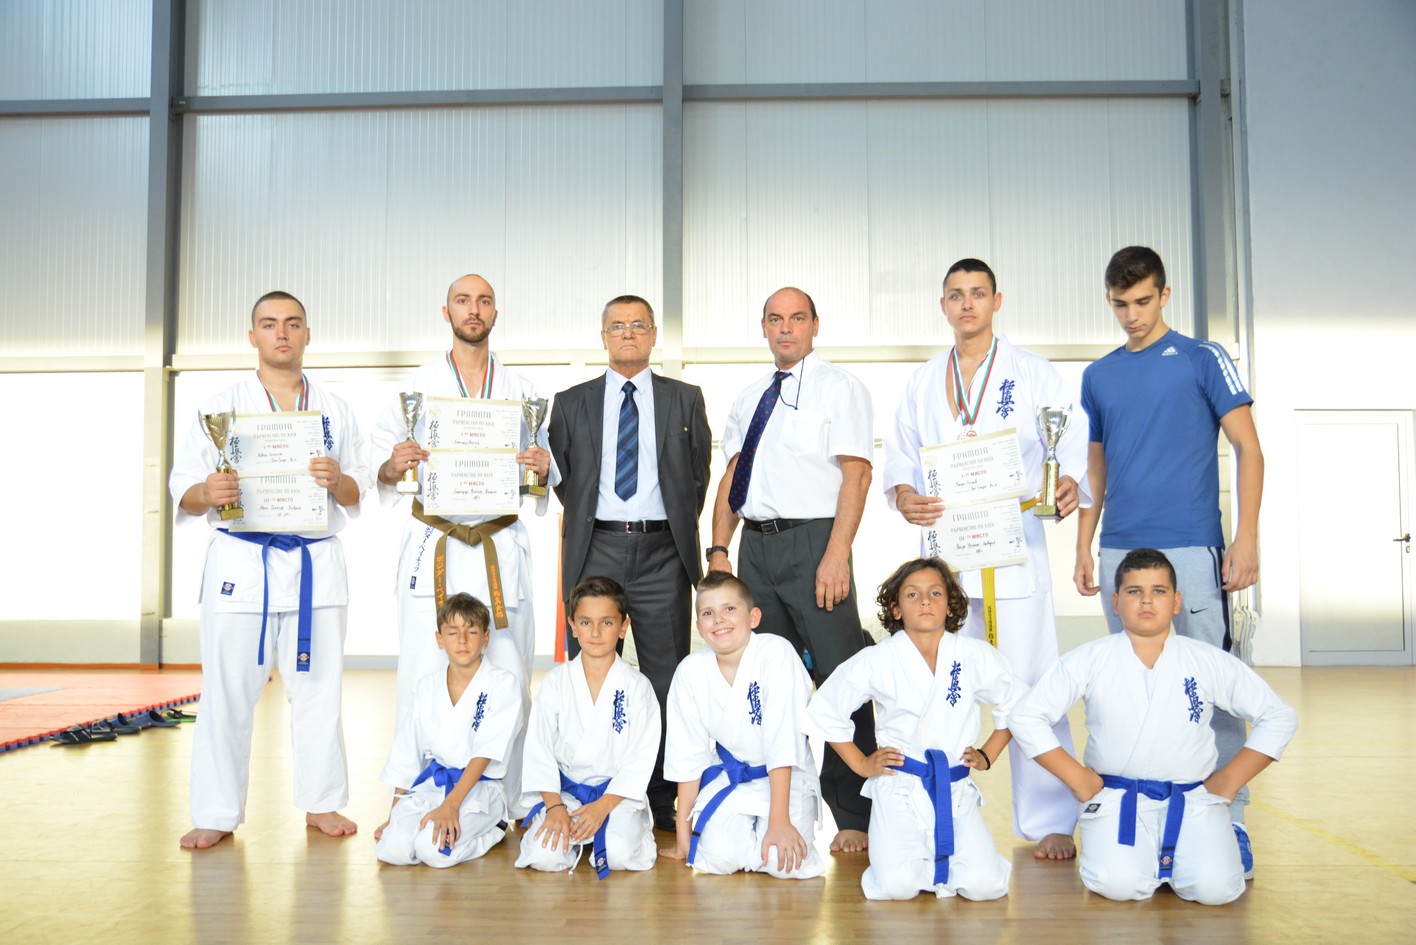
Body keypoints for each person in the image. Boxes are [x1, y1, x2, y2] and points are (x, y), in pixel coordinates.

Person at [882, 258, 1088, 859]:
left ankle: (1051, 819)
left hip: (1012, 549)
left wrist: (1068, 483)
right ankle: (926, 809)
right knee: (934, 684)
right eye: (956, 295)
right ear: (943, 305)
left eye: (977, 293)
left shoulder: (1034, 374)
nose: (967, 304)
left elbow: (1071, 448)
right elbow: (900, 457)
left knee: (1032, 685)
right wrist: (904, 495)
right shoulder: (923, 381)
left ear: (997, 301)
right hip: (944, 557)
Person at [169, 290, 369, 850]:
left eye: (293, 323)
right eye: (269, 323)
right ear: (252, 335)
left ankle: (322, 802)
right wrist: (208, 492)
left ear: (308, 334)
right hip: (241, 562)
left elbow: (358, 491)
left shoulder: (334, 409)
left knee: (319, 690)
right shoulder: (220, 407)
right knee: (227, 692)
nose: (282, 333)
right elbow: (183, 490)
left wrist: (338, 481)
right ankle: (216, 810)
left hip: (314, 563)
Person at [1073, 246, 1264, 823]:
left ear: (1165, 295)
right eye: (1119, 305)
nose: (1131, 315)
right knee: (1128, 681)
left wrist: (1246, 539)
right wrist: (1083, 545)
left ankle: (1227, 814)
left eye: (1142, 301)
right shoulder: (1098, 375)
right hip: (1119, 548)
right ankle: (1144, 806)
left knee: (1213, 683)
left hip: (1192, 545)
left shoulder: (1204, 358)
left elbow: (1249, 449)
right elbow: (1095, 467)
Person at [1012, 549, 1296, 905]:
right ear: (1115, 602)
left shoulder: (1207, 660)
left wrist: (1228, 780)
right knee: (1120, 885)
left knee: (1217, 889)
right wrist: (1078, 779)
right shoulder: (1089, 659)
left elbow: (1278, 716)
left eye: (1159, 591)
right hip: (1117, 800)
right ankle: (1145, 862)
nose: (1146, 600)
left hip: (1193, 799)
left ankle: (1177, 859)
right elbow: (1025, 717)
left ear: (1176, 602)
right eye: (1134, 591)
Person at [371, 273, 554, 815]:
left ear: (495, 312)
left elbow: (545, 475)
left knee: (510, 669)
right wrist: (393, 465)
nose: (473, 309)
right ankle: (410, 795)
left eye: (484, 301)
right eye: (462, 301)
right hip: (436, 541)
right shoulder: (415, 387)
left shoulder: (522, 391)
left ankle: (514, 799)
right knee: (421, 669)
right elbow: (380, 469)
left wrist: (543, 468)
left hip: (498, 543)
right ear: (446, 311)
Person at [707, 286, 876, 853]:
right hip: (756, 547)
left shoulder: (840, 388)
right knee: (767, 678)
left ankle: (853, 813)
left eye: (797, 318)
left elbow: (856, 475)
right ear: (763, 327)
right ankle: (776, 804)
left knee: (842, 676)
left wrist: (836, 553)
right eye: (775, 319)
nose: (786, 328)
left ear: (814, 325)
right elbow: (733, 476)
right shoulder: (750, 397)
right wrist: (719, 550)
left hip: (815, 543)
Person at [547, 295, 711, 832]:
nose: (628, 333)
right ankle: (589, 782)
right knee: (591, 673)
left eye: (638, 325)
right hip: (597, 547)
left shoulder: (684, 399)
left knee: (666, 677)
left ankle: (658, 795)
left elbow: (697, 478)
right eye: (617, 326)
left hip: (663, 553)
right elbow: (566, 481)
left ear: (654, 334)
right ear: (603, 336)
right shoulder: (570, 403)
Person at [809, 557, 1019, 901]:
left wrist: (988, 753)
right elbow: (825, 710)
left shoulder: (974, 655)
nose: (925, 601)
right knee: (897, 886)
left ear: (949, 605)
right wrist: (861, 764)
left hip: (954, 789)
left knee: (985, 885)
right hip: (899, 788)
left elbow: (1016, 704)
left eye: (935, 593)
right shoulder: (879, 658)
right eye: (912, 594)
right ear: (895, 609)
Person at [658, 572, 826, 879]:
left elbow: (782, 741)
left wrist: (779, 821)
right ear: (699, 627)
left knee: (783, 864)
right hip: (732, 776)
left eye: (730, 609)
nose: (719, 620)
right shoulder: (691, 671)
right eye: (708, 613)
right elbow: (687, 755)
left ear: (753, 617)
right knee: (715, 859)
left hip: (786, 778)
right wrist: (683, 836)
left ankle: (762, 840)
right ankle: (749, 847)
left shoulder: (776, 654)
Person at [515, 577, 661, 876]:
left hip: (615, 796)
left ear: (623, 626)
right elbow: (539, 748)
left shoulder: (637, 686)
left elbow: (641, 757)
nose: (595, 632)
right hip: (565, 795)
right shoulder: (557, 682)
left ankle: (624, 831)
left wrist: (602, 807)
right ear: (572, 625)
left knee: (618, 855)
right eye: (585, 622)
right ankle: (574, 832)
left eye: (607, 622)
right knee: (544, 857)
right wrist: (554, 807)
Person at [375, 593, 521, 867]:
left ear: (486, 638)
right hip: (433, 785)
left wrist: (451, 806)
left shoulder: (502, 685)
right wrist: (394, 817)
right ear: (440, 639)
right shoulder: (427, 686)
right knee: (392, 848)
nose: (462, 640)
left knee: (433, 850)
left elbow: (486, 752)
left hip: (479, 791)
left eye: (472, 632)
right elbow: (407, 753)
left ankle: (494, 829)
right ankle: (419, 826)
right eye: (452, 632)